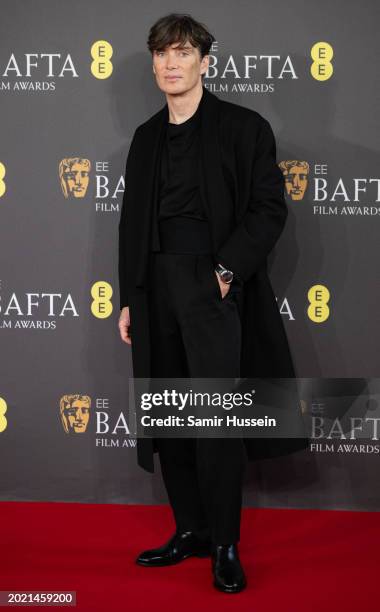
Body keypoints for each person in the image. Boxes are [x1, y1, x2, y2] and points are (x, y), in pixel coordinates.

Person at [118, 12, 306, 594]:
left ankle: (225, 542)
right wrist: (131, 298)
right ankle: (191, 530)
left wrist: (224, 273)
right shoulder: (146, 137)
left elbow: (268, 209)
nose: (170, 64)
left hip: (212, 284)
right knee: (170, 415)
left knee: (216, 420)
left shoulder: (243, 128)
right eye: (161, 54)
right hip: (155, 286)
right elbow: (130, 225)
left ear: (205, 60)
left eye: (181, 53)